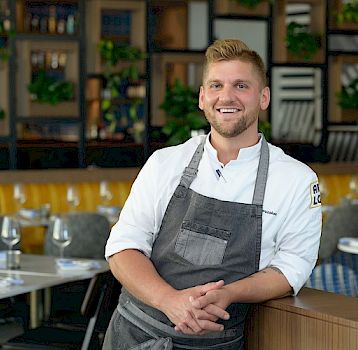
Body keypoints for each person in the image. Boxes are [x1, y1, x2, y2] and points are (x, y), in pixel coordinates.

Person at [103, 38, 322, 349]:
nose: (227, 96)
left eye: (241, 86)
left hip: (217, 343)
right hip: (136, 334)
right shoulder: (164, 163)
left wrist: (229, 294)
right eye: (216, 85)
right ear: (203, 97)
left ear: (263, 97)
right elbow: (123, 247)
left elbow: (292, 267)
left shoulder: (296, 180)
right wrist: (170, 301)